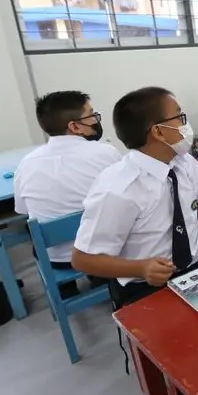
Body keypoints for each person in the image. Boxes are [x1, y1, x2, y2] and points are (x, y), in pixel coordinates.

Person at [70, 87, 198, 307]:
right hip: (149, 285)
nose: (186, 125)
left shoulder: (183, 161)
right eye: (180, 117)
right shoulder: (117, 190)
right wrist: (140, 268)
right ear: (158, 132)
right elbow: (82, 259)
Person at [13, 91, 121, 299]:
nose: (96, 119)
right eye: (91, 114)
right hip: (105, 251)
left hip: (56, 259)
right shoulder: (106, 153)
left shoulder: (26, 164)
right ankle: (100, 277)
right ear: (74, 126)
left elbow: (23, 211)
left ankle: (66, 290)